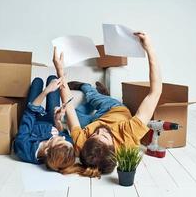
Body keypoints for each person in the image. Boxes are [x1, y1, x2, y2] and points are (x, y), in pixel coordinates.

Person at [52, 32, 162, 178]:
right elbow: (154, 93)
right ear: (113, 149)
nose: (100, 131)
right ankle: (94, 90)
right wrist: (150, 49)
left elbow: (69, 106)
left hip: (101, 114)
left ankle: (92, 91)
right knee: (91, 102)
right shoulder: (128, 135)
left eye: (94, 135)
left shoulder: (82, 144)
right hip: (115, 109)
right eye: (104, 136)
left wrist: (59, 70)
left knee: (80, 109)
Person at [13, 75, 76, 173]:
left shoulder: (23, 147)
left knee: (37, 82)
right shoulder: (65, 147)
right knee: (53, 78)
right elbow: (63, 133)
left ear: (47, 150)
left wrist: (46, 90)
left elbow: (30, 112)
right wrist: (58, 121)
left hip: (33, 118)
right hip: (51, 120)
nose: (63, 137)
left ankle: (42, 86)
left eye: (60, 140)